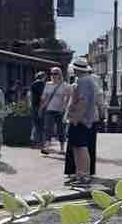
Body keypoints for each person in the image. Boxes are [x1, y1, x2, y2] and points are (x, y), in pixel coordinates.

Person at [64, 57, 98, 186]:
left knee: (80, 147)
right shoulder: (87, 80)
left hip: (80, 120)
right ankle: (80, 175)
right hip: (84, 119)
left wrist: (75, 119)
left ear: (76, 69)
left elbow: (82, 102)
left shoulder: (83, 81)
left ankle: (83, 176)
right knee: (78, 147)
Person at [40, 67, 69, 155]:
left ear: (60, 75)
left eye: (55, 73)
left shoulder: (64, 85)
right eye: (52, 73)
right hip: (49, 109)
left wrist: (64, 106)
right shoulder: (48, 84)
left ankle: (62, 148)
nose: (53, 75)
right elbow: (44, 96)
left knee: (61, 129)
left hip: (60, 110)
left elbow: (66, 97)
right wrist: (42, 104)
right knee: (48, 128)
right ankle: (47, 147)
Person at [30, 72, 46, 146]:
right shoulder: (41, 84)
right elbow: (42, 96)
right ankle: (41, 142)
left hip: (34, 105)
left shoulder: (33, 83)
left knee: (35, 124)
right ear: (43, 77)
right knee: (41, 124)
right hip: (39, 106)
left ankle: (33, 141)